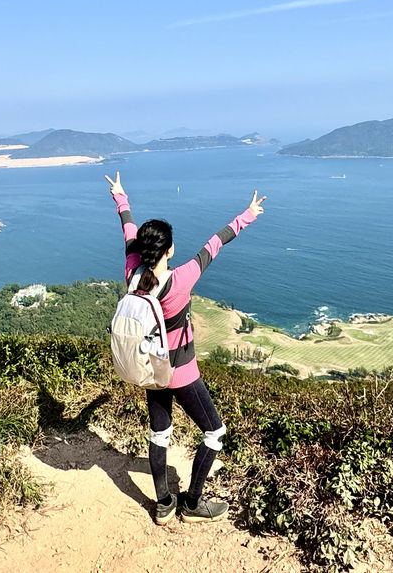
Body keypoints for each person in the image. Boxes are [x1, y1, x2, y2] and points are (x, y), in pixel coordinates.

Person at [105, 171, 265, 525]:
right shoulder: (181, 278)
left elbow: (128, 229)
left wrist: (121, 196)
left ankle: (163, 503)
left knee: (159, 433)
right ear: (169, 250)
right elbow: (214, 245)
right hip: (182, 372)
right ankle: (192, 502)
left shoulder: (132, 272)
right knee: (215, 432)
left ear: (143, 252)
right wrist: (248, 214)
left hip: (150, 370)